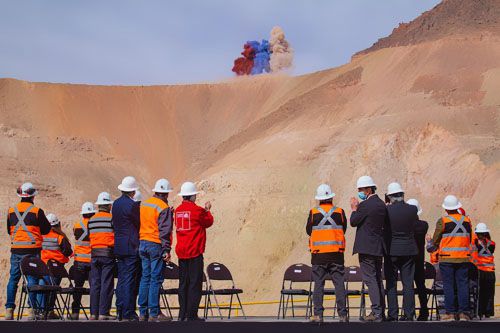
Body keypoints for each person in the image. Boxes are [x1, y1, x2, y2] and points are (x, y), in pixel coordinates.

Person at [5, 182, 51, 321]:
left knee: (13, 279)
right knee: (32, 279)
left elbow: (9, 230)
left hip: (16, 250)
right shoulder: (37, 211)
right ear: (32, 196)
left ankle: (9, 310)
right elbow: (46, 230)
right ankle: (31, 310)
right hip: (32, 251)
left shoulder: (11, 211)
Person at [426, 195, 473, 321]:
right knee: (463, 285)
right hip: (463, 258)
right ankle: (464, 313)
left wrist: (430, 244)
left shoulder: (443, 221)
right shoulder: (467, 221)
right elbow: (469, 238)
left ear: (446, 209)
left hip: (447, 259)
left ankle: (450, 313)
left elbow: (435, 241)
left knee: (448, 285)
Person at [306, 184, 348, 323]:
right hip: (336, 254)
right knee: (339, 284)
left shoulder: (313, 212)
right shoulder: (340, 212)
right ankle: (342, 315)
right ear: (331, 197)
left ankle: (318, 315)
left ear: (319, 199)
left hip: (319, 255)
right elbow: (344, 229)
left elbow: (308, 230)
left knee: (319, 284)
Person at [350, 175, 388, 322]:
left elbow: (354, 222)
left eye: (361, 189)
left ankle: (376, 312)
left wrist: (354, 209)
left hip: (366, 247)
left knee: (370, 279)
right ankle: (381, 311)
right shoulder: (381, 204)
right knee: (377, 279)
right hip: (378, 247)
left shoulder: (365, 205)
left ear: (368, 189)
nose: (359, 192)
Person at [175, 182, 214, 321]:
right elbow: (208, 222)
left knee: (183, 283)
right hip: (194, 252)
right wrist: (207, 210)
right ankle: (191, 314)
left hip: (181, 252)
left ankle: (182, 314)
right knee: (194, 284)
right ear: (191, 196)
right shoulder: (197, 211)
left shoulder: (177, 211)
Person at [138, 178, 174, 322]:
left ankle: (142, 312)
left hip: (142, 243)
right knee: (155, 279)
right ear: (166, 193)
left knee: (145, 277)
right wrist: (166, 250)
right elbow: (164, 231)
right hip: (155, 244)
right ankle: (154, 313)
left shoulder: (145, 204)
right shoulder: (163, 207)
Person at [384, 183, 418, 321]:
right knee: (408, 283)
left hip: (391, 250)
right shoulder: (412, 209)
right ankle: (409, 314)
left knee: (391, 283)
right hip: (409, 249)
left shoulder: (387, 211)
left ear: (390, 197)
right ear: (402, 195)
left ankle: (393, 314)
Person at [112, 176, 141, 321]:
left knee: (122, 279)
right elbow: (138, 223)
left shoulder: (115, 204)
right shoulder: (133, 205)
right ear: (133, 191)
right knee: (129, 279)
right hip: (131, 246)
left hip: (119, 245)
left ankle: (120, 309)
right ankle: (128, 312)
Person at [88, 192, 115, 320]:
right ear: (109, 205)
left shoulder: (91, 220)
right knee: (106, 283)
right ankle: (104, 312)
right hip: (107, 253)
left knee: (95, 283)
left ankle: (94, 313)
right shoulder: (111, 218)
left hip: (94, 254)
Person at [41, 213, 73, 319]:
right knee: (53, 290)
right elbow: (68, 251)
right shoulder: (60, 237)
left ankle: (42, 311)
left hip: (43, 267)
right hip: (56, 268)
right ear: (58, 224)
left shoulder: (41, 236)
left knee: (44, 288)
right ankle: (49, 311)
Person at [70, 201, 96, 320]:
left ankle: (75, 312)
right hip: (91, 261)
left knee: (78, 287)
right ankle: (93, 313)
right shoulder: (95, 225)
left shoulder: (77, 225)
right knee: (94, 287)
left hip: (79, 261)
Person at [407, 198, 429, 321]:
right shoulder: (424, 225)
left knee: (408, 286)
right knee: (421, 286)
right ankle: (424, 311)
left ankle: (409, 312)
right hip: (420, 260)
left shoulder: (405, 226)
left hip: (408, 260)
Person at [471, 223, 495, 318]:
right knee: (489, 293)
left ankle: (480, 311)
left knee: (480, 293)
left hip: (480, 271)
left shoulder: (476, 243)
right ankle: (488, 312)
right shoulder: (492, 244)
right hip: (490, 271)